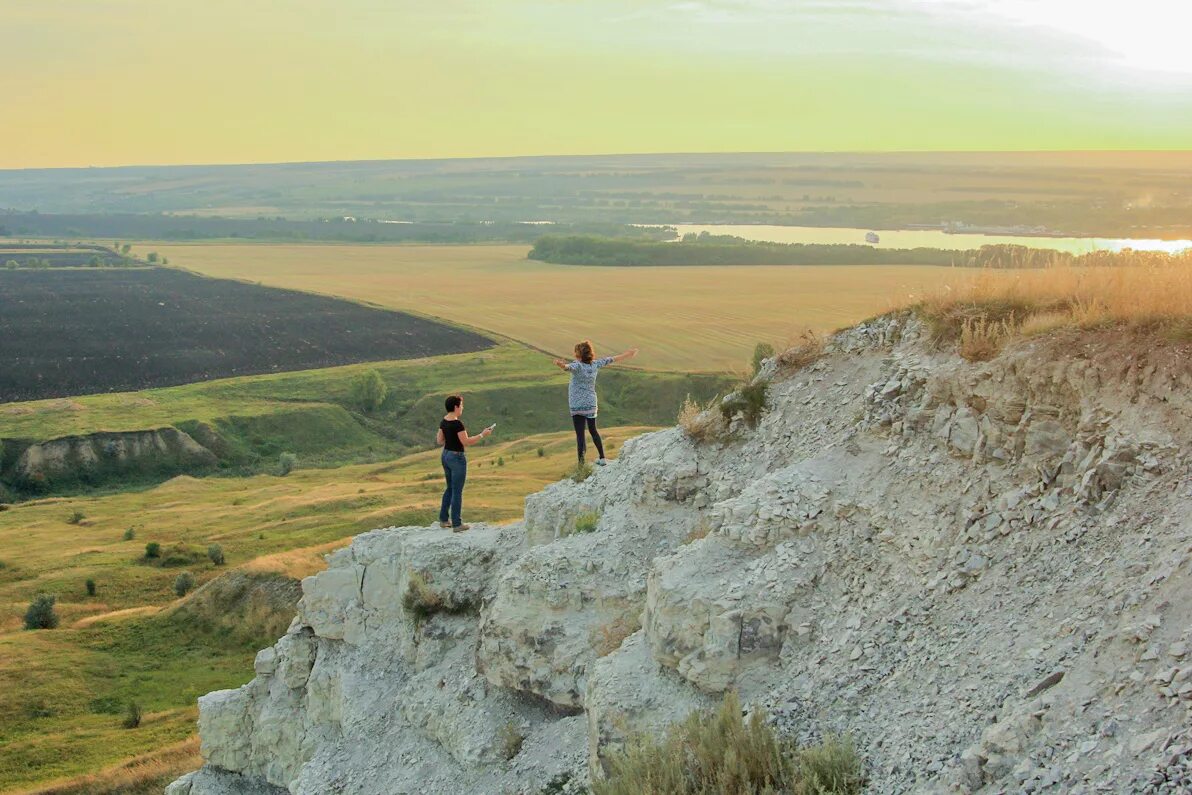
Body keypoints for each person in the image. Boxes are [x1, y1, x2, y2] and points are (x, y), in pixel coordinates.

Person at [553, 340, 638, 466]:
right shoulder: (595, 364)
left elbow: (567, 367)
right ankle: (602, 457)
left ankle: (581, 465)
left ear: (579, 355)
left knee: (580, 435)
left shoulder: (577, 366)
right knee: (593, 431)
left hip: (577, 405)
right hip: (591, 403)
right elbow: (612, 359)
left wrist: (560, 364)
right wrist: (628, 354)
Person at [435, 394, 493, 531]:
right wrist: (482, 435)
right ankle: (457, 523)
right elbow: (466, 442)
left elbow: (439, 440)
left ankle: (444, 519)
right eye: (461, 405)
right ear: (456, 407)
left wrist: (450, 440)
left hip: (445, 455)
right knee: (457, 491)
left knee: (449, 488)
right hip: (457, 457)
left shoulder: (444, 421)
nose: (462, 408)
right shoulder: (457, 424)